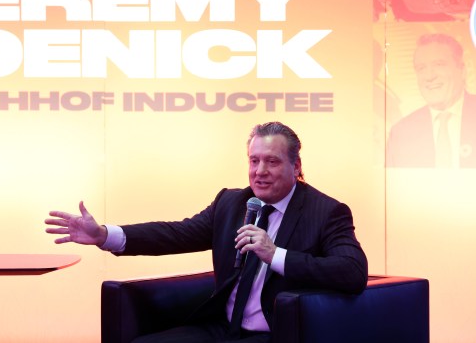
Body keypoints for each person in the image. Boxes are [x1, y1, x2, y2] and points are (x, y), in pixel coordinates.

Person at [45, 122, 368, 342]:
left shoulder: (326, 212)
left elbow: (353, 271)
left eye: (272, 161)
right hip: (222, 326)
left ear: (295, 166)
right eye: (254, 160)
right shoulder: (233, 202)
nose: (259, 172)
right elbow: (176, 234)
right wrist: (104, 235)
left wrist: (275, 254)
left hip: (277, 332)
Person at [386, 33, 476, 168]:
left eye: (439, 64)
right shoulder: (401, 133)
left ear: (462, 71)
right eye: (421, 68)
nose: (429, 76)